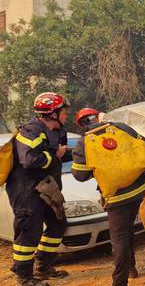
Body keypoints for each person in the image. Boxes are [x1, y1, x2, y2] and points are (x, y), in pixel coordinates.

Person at [71, 107, 145, 286]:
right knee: (137, 227)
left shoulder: (84, 143)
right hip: (142, 190)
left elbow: (80, 175)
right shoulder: (121, 128)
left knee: (120, 238)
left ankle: (120, 282)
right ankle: (135, 268)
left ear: (81, 125)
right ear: (99, 117)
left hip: (116, 198)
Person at [7, 92, 72, 286]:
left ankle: (43, 266)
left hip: (47, 189)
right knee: (29, 230)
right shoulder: (29, 131)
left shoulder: (59, 132)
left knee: (58, 223)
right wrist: (55, 154)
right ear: (53, 113)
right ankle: (24, 276)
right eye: (63, 111)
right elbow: (29, 160)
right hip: (25, 190)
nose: (66, 115)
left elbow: (59, 157)